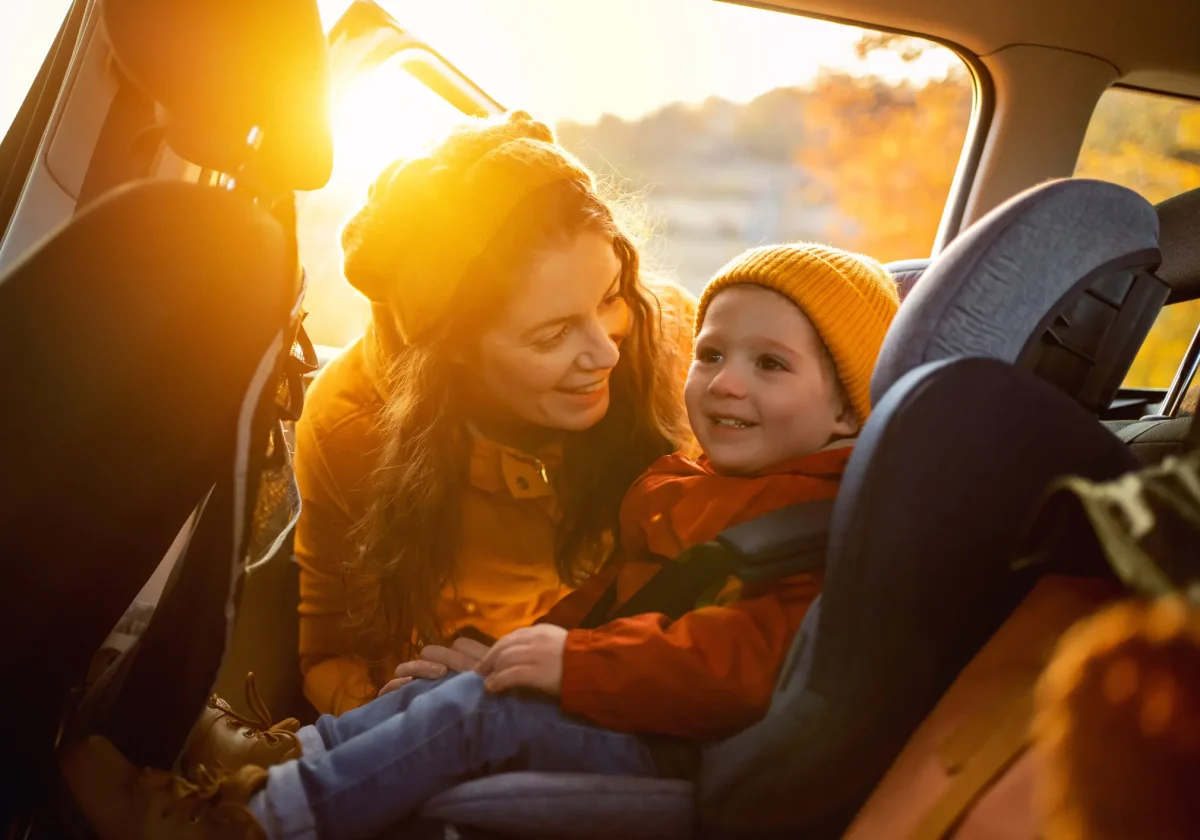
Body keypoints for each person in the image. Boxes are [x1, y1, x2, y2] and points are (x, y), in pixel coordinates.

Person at [59, 243, 901, 840]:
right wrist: (508, 651)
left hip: (686, 745)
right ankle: (269, 774)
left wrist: (567, 668)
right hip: (634, 699)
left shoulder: (816, 525)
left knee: (477, 709)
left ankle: (252, 827)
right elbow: (612, 606)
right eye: (712, 351)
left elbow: (741, 667)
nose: (722, 382)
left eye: (772, 365)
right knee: (453, 675)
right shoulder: (700, 486)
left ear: (848, 411)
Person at [287, 111, 697, 717]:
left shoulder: (676, 343)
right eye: (551, 336)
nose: (608, 349)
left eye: (611, 296)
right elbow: (330, 655)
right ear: (450, 348)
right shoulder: (353, 427)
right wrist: (405, 706)